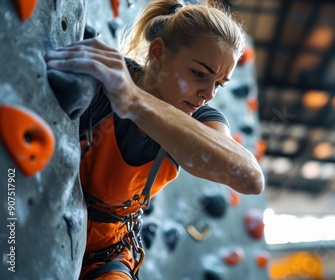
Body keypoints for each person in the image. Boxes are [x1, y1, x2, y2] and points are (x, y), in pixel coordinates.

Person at [44, 0, 265, 279]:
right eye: (199, 74)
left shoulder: (201, 118)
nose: (208, 93)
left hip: (107, 254)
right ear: (158, 52)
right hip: (48, 220)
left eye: (219, 84)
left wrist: (135, 101)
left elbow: (250, 179)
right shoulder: (108, 79)